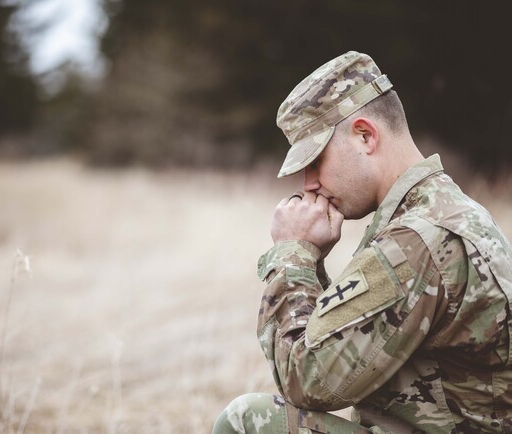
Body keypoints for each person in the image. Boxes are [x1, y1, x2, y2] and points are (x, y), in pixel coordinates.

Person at [212, 51, 512, 434]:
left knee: (245, 420)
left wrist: (293, 255)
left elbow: (307, 379)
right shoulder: (442, 212)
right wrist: (314, 261)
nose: (308, 184)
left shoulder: (417, 239)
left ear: (365, 135)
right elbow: (345, 351)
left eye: (315, 161)